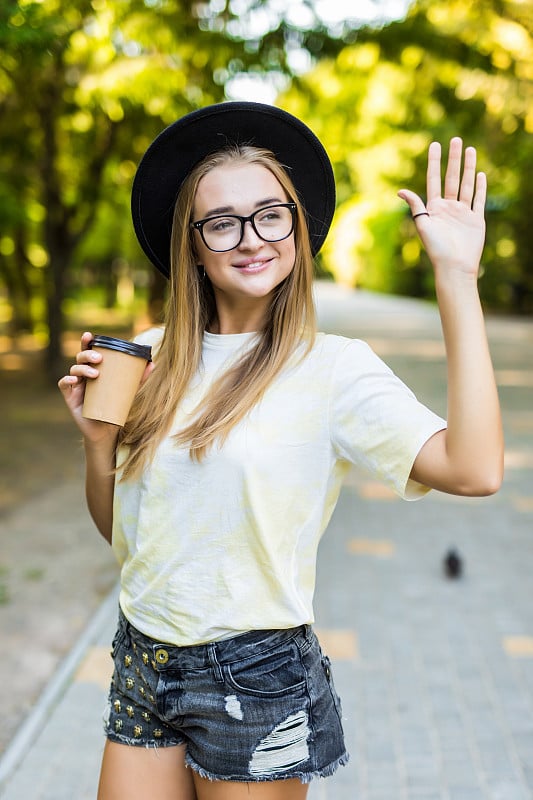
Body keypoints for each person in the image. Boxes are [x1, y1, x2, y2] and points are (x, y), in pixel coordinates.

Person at [58, 101, 503, 800]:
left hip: (256, 677)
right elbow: (127, 535)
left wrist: (455, 279)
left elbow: (475, 470)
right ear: (193, 245)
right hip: (142, 656)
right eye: (222, 221)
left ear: (296, 227)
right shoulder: (145, 354)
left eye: (271, 214)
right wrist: (96, 446)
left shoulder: (333, 369)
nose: (251, 237)